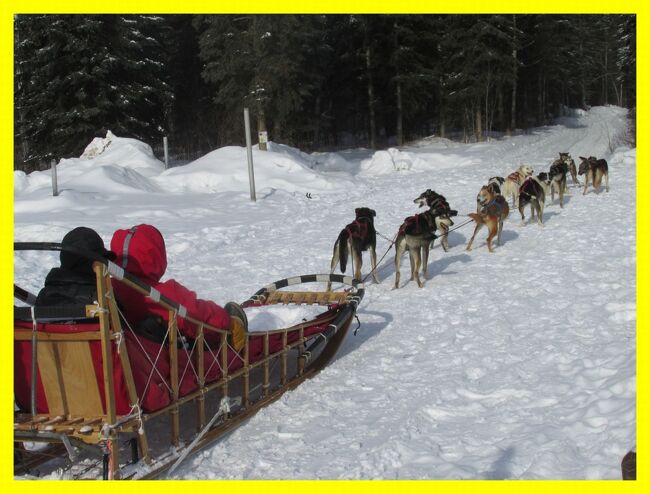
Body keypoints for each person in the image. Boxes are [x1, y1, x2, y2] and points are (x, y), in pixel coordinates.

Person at [110, 224, 246, 350]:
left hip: (120, 357)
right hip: (163, 366)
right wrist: (228, 321)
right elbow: (198, 314)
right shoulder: (160, 294)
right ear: (156, 256)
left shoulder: (106, 290)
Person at [35, 226, 116, 307]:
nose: (105, 267)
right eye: (101, 261)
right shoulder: (102, 298)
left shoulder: (45, 295)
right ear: (87, 264)